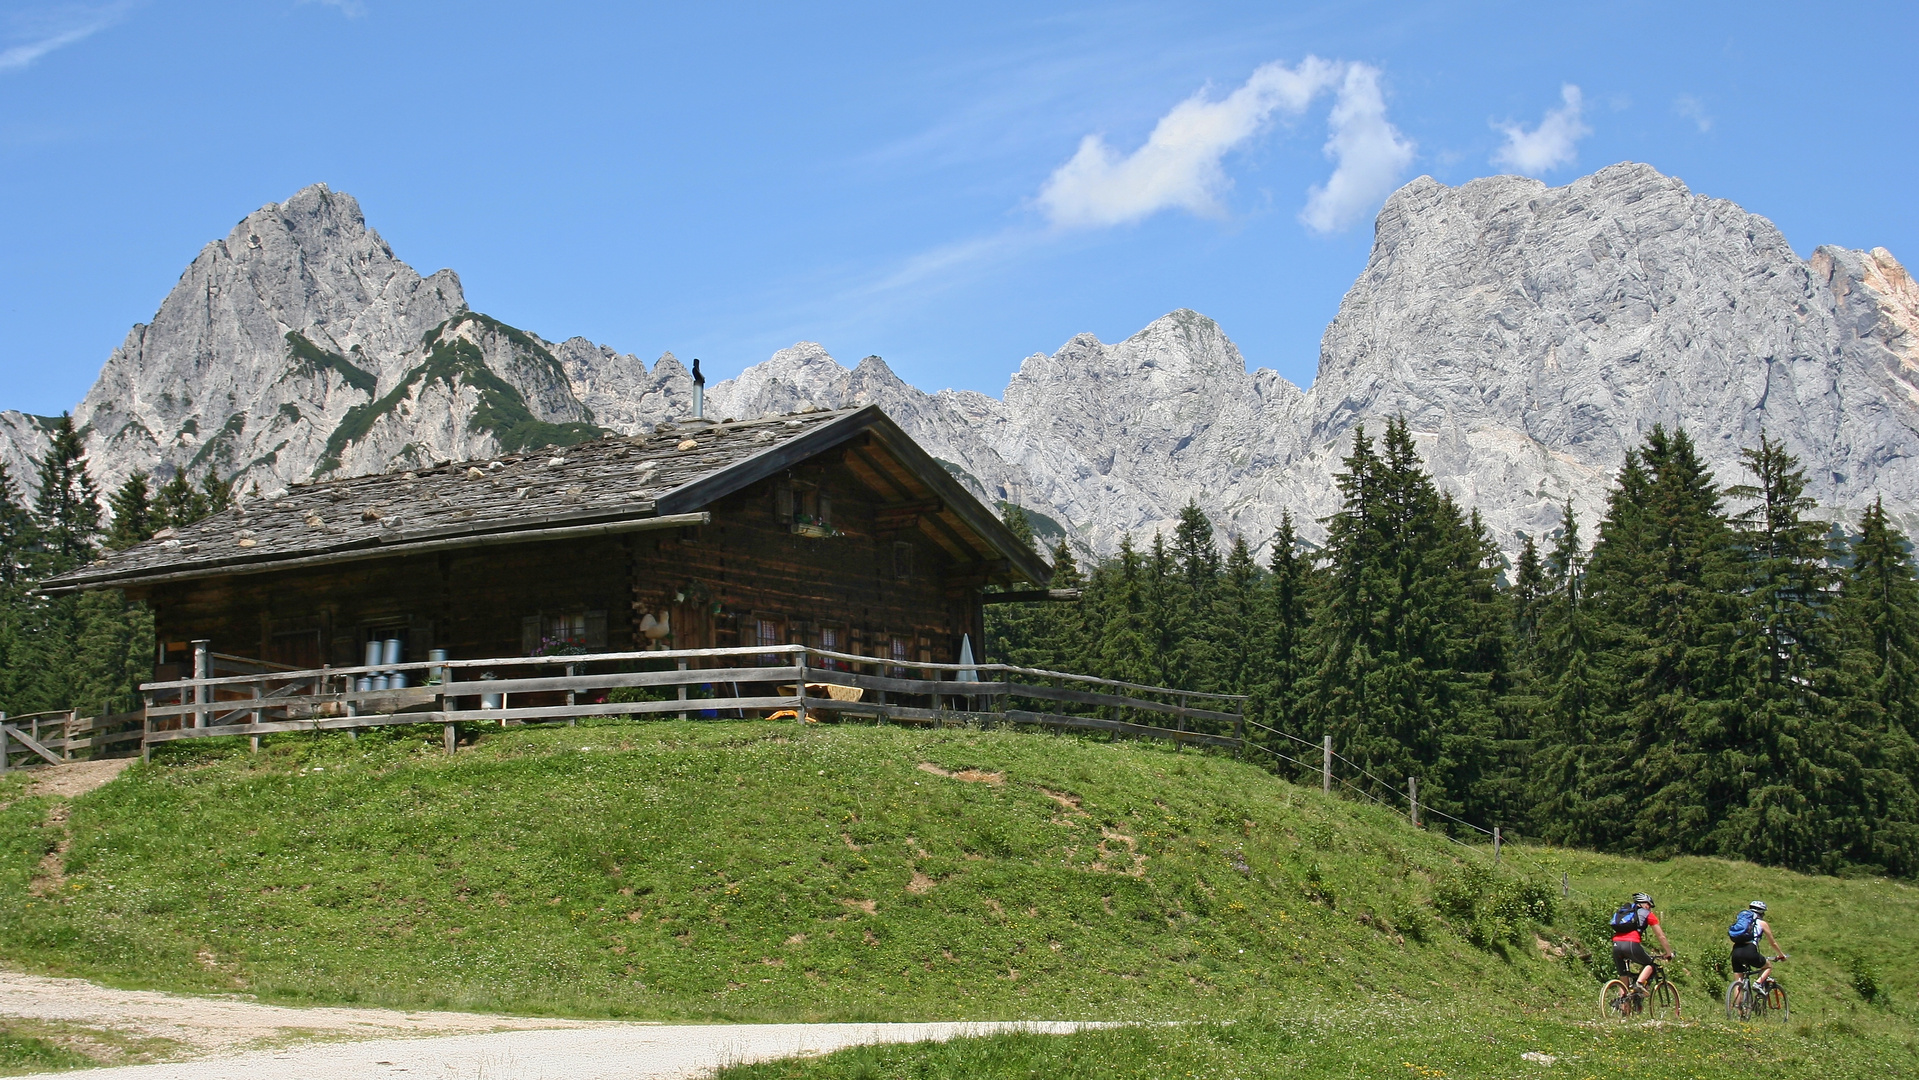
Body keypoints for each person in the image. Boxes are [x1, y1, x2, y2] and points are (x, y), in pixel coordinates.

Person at [1611, 892, 1674, 989]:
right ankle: (1639, 984)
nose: (1649, 908)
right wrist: (1668, 952)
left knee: (1623, 979)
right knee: (1650, 964)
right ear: (1643, 903)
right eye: (1649, 905)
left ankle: (1623, 1002)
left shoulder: (1625, 912)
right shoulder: (1648, 914)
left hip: (1616, 944)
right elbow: (1661, 936)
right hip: (1631, 944)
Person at [1729, 901, 1786, 988]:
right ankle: (1758, 984)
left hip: (1736, 951)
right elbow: (1773, 943)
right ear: (1762, 913)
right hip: (1749, 950)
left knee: (1739, 983)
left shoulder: (1743, 922)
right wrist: (1781, 955)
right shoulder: (1762, 923)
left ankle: (1736, 1002)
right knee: (1768, 966)